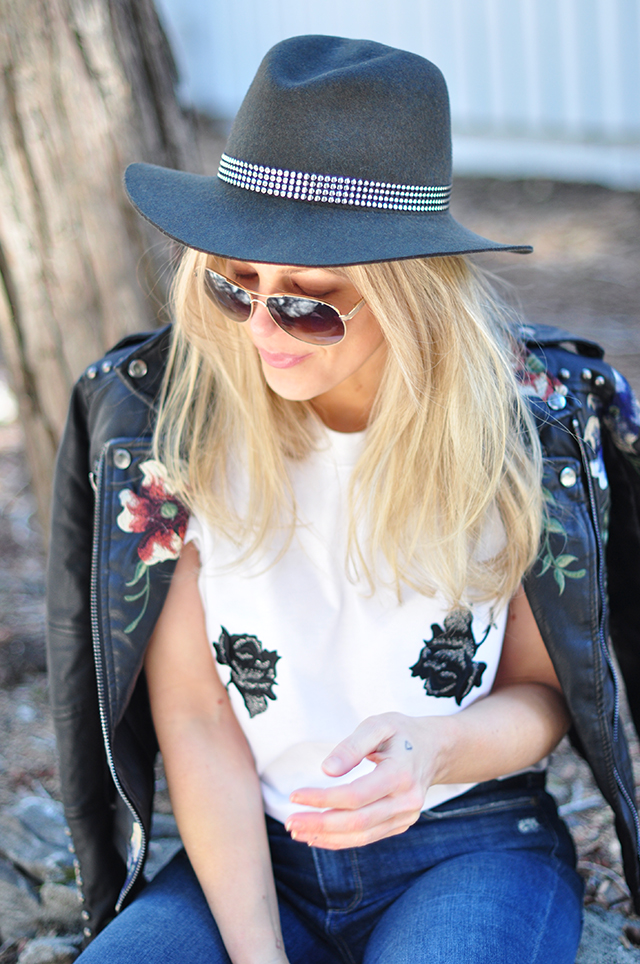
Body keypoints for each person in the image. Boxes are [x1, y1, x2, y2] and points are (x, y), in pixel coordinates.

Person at [46, 35, 640, 964]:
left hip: (468, 844)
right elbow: (199, 721)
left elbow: (542, 693)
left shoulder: (518, 437)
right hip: (250, 860)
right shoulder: (172, 428)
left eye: (311, 303)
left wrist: (431, 751)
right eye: (236, 286)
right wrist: (257, 954)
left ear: (410, 301)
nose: (262, 331)